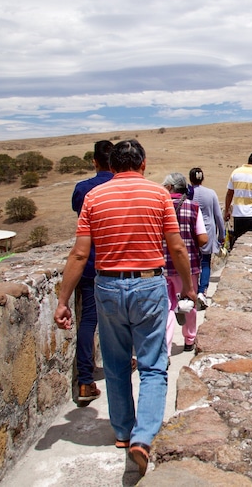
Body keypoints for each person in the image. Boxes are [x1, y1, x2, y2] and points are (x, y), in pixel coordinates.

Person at [53, 139, 196, 477]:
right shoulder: (159, 196)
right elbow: (175, 247)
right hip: (148, 285)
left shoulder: (93, 197)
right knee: (153, 364)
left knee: (117, 363)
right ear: (143, 165)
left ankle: (122, 432)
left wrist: (62, 300)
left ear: (111, 166)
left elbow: (78, 254)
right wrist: (189, 287)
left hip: (107, 286)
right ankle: (143, 438)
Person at [69, 139, 114, 406]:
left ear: (95, 161)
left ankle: (85, 381)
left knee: (88, 321)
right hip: (118, 264)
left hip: (89, 264)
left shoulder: (83, 189)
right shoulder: (121, 188)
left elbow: (82, 217)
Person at [162, 173, 207, 353]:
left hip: (163, 265)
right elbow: (203, 238)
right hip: (188, 266)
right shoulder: (193, 207)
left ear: (170, 187)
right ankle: (190, 338)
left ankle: (164, 346)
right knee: (189, 301)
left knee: (165, 307)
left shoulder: (159, 207)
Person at [189, 167, 224, 309]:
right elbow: (218, 216)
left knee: (192, 263)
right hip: (208, 231)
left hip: (191, 231)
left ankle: (192, 289)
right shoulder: (211, 193)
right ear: (202, 178)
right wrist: (222, 235)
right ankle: (202, 291)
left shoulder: (188, 193)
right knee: (205, 262)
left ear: (190, 179)